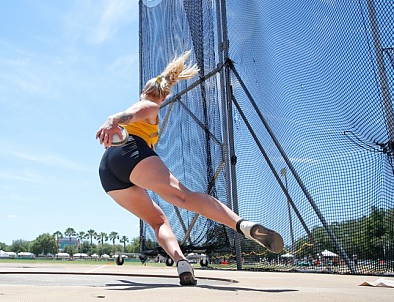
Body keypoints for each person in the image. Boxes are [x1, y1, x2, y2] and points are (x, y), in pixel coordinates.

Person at [96, 51, 284, 286]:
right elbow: (135, 112)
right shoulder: (151, 106)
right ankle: (242, 225)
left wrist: (117, 121)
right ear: (162, 98)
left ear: (144, 90)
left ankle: (182, 262)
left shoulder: (145, 103)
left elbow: (133, 113)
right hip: (131, 152)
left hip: (108, 172)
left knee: (157, 220)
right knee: (184, 197)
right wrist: (114, 118)